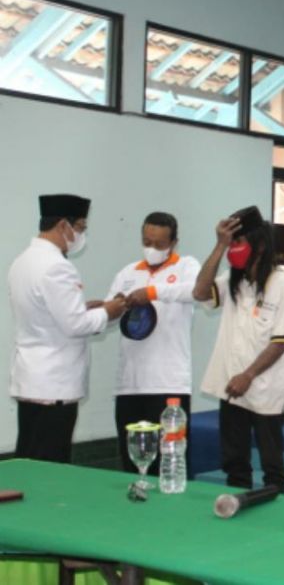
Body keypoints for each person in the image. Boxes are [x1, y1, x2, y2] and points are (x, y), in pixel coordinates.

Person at [8, 194, 126, 463]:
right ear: (63, 225)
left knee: (28, 458)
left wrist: (85, 309)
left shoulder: (23, 261)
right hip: (54, 384)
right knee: (50, 464)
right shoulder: (57, 267)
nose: (82, 235)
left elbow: (46, 314)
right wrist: (109, 311)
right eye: (81, 227)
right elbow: (75, 325)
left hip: (32, 378)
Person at [195, 206, 284, 492]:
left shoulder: (283, 284)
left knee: (272, 465)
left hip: (264, 387)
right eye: (232, 243)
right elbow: (200, 292)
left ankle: (275, 508)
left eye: (238, 243)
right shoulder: (233, 280)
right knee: (235, 462)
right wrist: (220, 246)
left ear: (260, 245)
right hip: (232, 386)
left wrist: (249, 375)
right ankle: (235, 505)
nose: (234, 249)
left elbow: (281, 341)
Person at [107, 212, 199, 474]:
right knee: (131, 461)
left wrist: (152, 292)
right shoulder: (127, 273)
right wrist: (106, 308)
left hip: (168, 384)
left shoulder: (187, 267)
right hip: (130, 383)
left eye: (159, 244)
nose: (152, 249)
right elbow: (110, 318)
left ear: (174, 242)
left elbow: (196, 291)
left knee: (168, 462)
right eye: (147, 242)